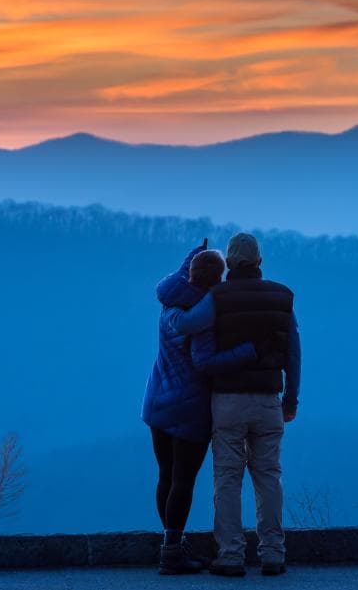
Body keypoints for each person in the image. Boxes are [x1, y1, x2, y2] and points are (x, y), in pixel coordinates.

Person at [166, 233, 302, 578]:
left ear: (229, 263)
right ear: (260, 261)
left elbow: (187, 325)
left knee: (227, 477)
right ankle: (273, 553)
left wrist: (174, 305)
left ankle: (230, 555)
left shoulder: (218, 297)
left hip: (227, 400)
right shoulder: (283, 297)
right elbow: (293, 354)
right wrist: (290, 399)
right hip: (268, 399)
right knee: (268, 476)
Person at [141, 240, 259, 575]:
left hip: (157, 403)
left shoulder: (170, 304)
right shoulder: (202, 318)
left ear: (190, 274)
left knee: (166, 476)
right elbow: (204, 362)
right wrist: (246, 352)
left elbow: (184, 275)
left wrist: (194, 254)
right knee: (183, 481)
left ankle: (172, 543)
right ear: (217, 279)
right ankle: (171, 554)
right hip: (190, 408)